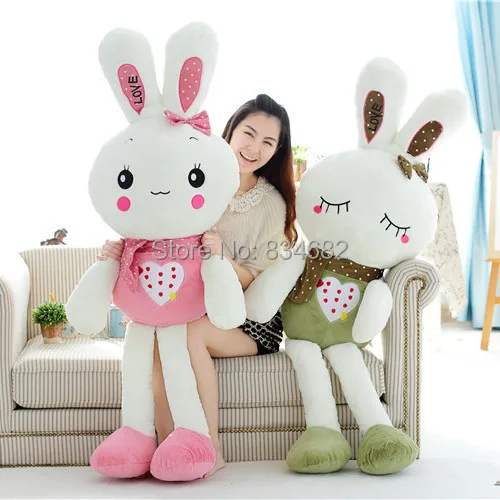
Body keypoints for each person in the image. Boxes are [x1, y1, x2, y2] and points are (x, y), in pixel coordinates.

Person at [98, 94, 297, 477]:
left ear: (276, 151)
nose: (254, 148)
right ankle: (167, 447)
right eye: (249, 133)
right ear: (231, 131)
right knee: (160, 336)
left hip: (247, 322)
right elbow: (156, 229)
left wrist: (220, 259)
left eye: (268, 142)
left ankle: (209, 448)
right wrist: (121, 251)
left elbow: (258, 279)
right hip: (189, 306)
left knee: (185, 333)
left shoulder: (270, 203)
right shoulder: (196, 179)